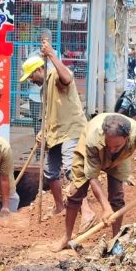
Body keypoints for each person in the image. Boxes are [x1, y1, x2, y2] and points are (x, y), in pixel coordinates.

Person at [51, 114, 136, 252]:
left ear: (127, 138)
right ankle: (66, 237)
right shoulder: (93, 138)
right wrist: (105, 207)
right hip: (90, 153)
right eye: (109, 144)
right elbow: (93, 178)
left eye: (116, 145)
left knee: (117, 197)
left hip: (121, 158)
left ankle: (115, 241)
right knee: (76, 194)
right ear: (104, 136)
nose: (112, 149)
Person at [18, 39, 87, 215]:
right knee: (50, 172)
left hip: (71, 129)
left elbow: (68, 78)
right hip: (55, 133)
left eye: (31, 76)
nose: (31, 81)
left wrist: (52, 55)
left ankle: (87, 211)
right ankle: (59, 207)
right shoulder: (44, 89)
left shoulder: (55, 76)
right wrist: (43, 130)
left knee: (72, 169)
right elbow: (49, 114)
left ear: (40, 69)